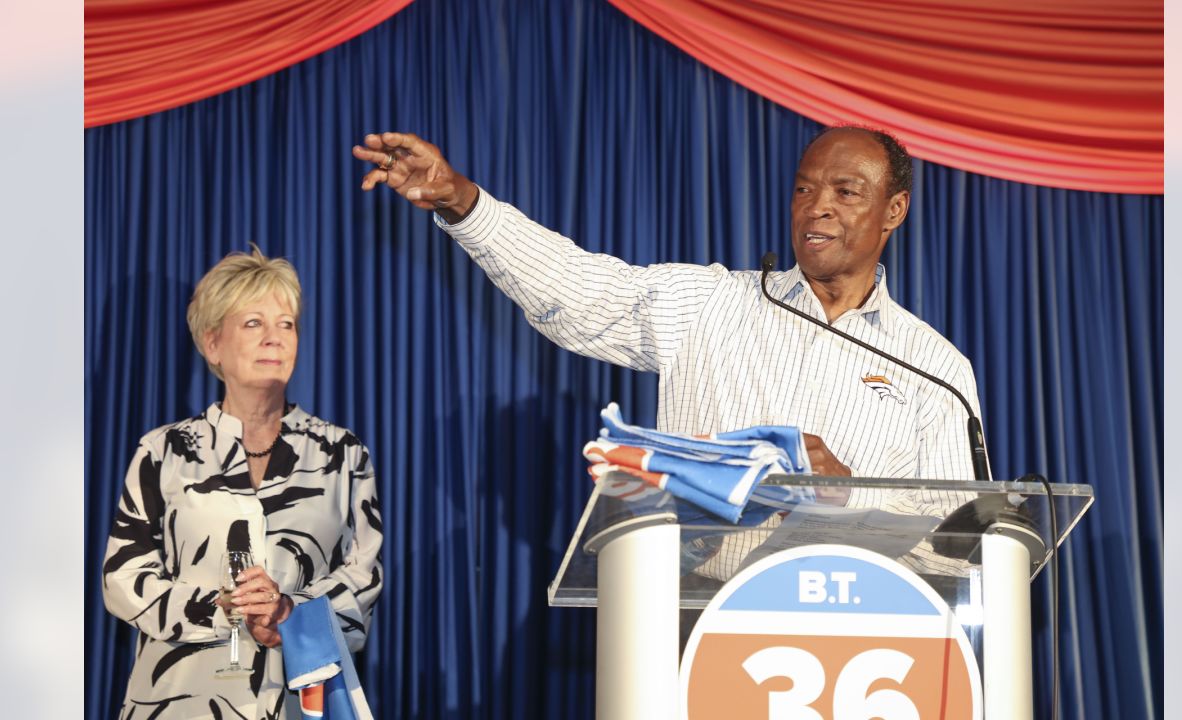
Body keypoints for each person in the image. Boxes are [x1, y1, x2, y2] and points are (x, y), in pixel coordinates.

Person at [352, 126, 987, 496]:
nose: (815, 207)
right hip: (699, 620)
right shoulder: (713, 304)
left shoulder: (936, 369)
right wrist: (463, 203)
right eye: (803, 189)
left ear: (894, 212)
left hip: (859, 642)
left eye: (845, 193)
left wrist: (847, 497)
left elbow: (954, 540)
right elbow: (576, 290)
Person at [102, 247, 384, 719]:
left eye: (286, 324)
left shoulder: (342, 453)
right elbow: (122, 578)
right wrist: (221, 606)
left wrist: (289, 614)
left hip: (297, 701)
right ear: (213, 344)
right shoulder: (163, 450)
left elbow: (363, 581)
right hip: (177, 701)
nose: (274, 338)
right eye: (253, 323)